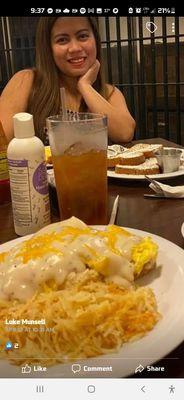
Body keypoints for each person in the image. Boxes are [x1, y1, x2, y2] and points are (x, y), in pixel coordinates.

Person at [0, 16, 135, 143]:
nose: (75, 48)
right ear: (48, 48)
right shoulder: (26, 81)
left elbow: (125, 133)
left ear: (95, 40)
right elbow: (3, 141)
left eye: (83, 36)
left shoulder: (109, 93)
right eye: (62, 40)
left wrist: (85, 86)